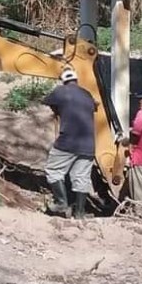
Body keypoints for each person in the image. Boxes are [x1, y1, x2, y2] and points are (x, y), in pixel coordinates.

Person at [42, 68, 98, 219]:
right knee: (81, 178)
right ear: (76, 80)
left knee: (54, 170)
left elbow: (46, 101)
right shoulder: (87, 94)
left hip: (68, 141)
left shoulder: (61, 91)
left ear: (64, 80)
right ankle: (79, 213)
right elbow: (95, 106)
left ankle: (61, 203)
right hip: (89, 145)